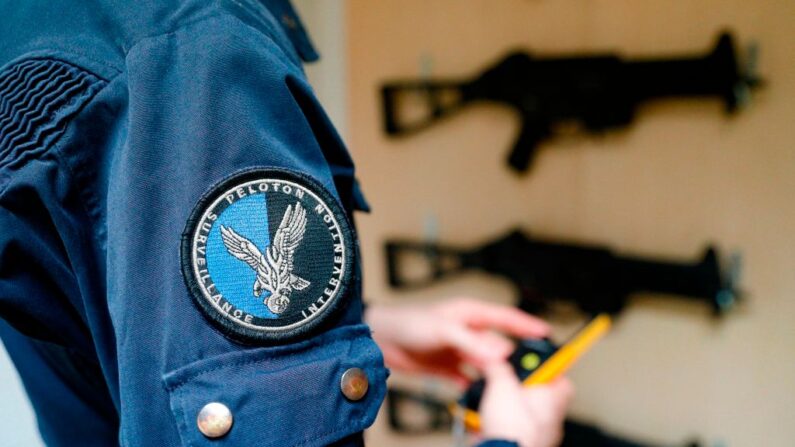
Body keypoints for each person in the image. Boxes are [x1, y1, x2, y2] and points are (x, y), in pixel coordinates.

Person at [0, 1, 572, 446]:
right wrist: (511, 442)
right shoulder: (198, 57)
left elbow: (108, 299)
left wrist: (367, 329)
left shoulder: (43, 23)